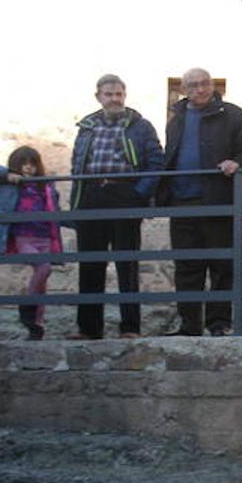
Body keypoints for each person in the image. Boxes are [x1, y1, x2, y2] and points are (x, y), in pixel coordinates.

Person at [161, 68, 242, 336]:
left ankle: (219, 324)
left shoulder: (233, 114)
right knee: (186, 266)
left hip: (219, 199)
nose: (199, 89)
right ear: (184, 89)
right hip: (182, 202)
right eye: (193, 85)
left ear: (213, 86)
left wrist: (236, 163)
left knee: (221, 265)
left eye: (204, 84)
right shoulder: (177, 119)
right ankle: (189, 325)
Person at [68, 74, 164, 339]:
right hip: (91, 195)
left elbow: (156, 163)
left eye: (118, 94)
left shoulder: (141, 126)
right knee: (90, 264)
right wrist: (76, 200)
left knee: (127, 263)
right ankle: (88, 329)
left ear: (125, 95)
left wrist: (138, 194)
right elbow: (77, 162)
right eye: (108, 94)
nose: (114, 99)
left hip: (124, 194)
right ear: (98, 96)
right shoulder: (86, 127)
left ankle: (130, 327)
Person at [0, 147, 62, 339]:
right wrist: (7, 174)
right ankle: (27, 307)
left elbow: (56, 211)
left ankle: (36, 326)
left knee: (42, 284)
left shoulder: (45, 186)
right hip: (24, 236)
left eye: (32, 163)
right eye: (24, 163)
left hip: (45, 236)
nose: (28, 168)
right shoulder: (6, 183)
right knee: (44, 268)